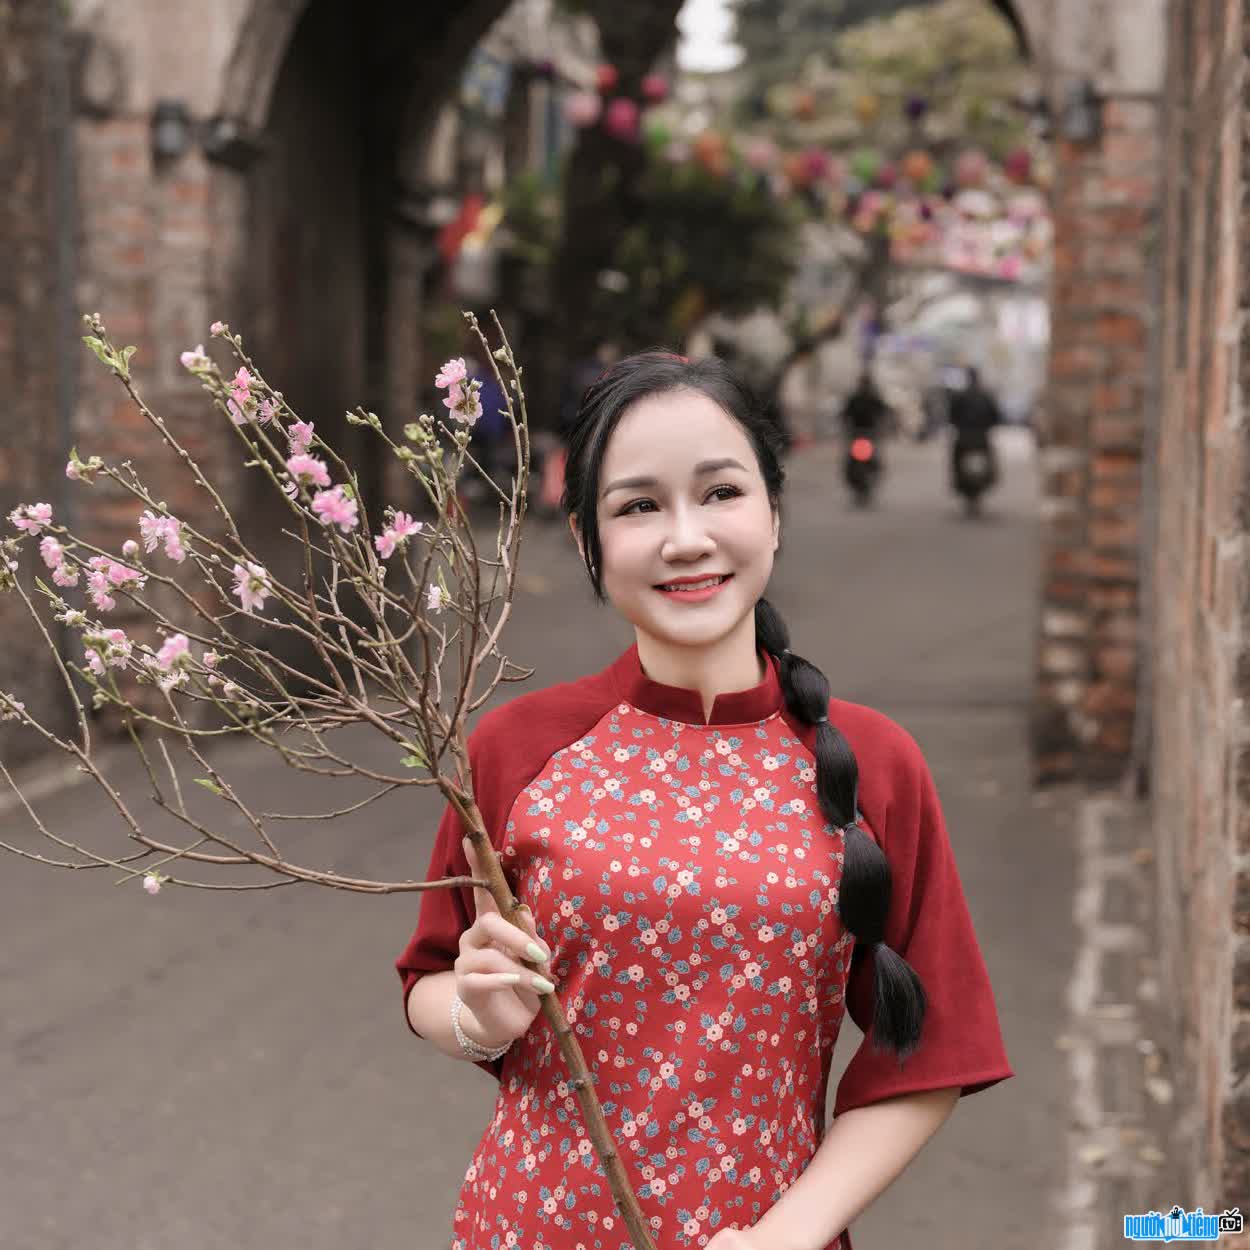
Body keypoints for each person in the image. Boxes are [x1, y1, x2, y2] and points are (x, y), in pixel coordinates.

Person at [395, 352, 1013, 1250]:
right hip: (527, 1228)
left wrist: (785, 1236)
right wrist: (473, 1014)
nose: (685, 538)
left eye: (721, 493)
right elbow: (429, 975)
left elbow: (929, 1053)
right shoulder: (514, 749)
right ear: (586, 541)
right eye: (638, 506)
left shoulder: (875, 765)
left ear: (774, 514)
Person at [946, 365, 1005, 488]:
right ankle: (989, 478)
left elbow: (951, 416)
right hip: (981, 436)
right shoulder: (986, 395)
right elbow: (996, 416)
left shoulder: (959, 395)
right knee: (990, 457)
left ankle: (957, 480)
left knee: (956, 458)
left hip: (964, 437)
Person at [838, 370, 891, 440]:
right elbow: (845, 413)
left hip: (871, 432)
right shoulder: (855, 399)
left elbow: (884, 412)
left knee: (876, 447)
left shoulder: (874, 399)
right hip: (856, 432)